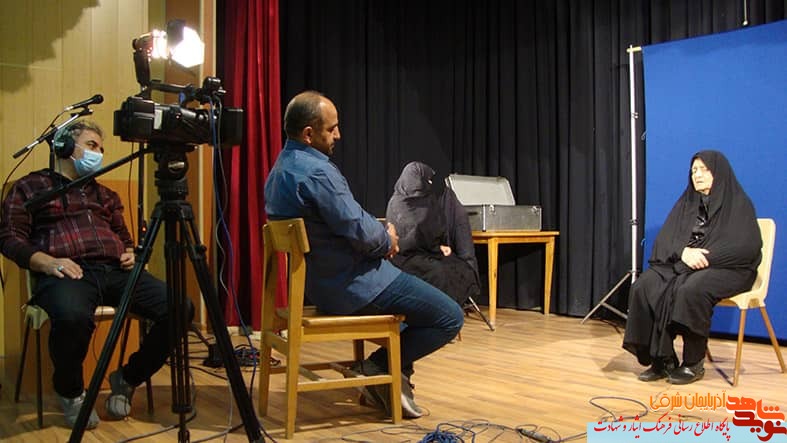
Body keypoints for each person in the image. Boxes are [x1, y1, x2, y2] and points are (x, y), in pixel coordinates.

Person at [264, 91, 464, 418]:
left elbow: (347, 220)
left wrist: (377, 234)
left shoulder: (280, 170)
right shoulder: (318, 172)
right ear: (309, 134)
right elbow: (361, 231)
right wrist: (387, 239)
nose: (338, 135)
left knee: (414, 310)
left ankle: (389, 381)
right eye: (332, 129)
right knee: (449, 316)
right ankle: (378, 369)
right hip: (354, 286)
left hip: (320, 287)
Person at [0, 120, 190, 429]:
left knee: (180, 306)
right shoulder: (30, 187)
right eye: (91, 146)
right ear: (64, 147)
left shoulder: (105, 194)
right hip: (67, 272)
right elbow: (9, 237)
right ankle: (71, 391)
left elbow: (125, 237)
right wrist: (45, 262)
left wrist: (130, 251)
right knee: (73, 316)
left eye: (101, 149)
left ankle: (127, 378)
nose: (98, 154)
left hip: (115, 270)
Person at [622, 150, 761, 385]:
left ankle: (693, 363)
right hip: (686, 264)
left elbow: (746, 246)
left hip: (730, 269)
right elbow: (664, 240)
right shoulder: (686, 203)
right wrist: (684, 252)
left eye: (704, 170)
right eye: (694, 170)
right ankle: (663, 359)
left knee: (691, 289)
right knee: (644, 286)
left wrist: (705, 258)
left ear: (719, 172)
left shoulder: (739, 204)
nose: (697, 175)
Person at [385, 161, 481, 306]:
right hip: (402, 257)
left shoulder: (427, 201)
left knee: (460, 267)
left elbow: (434, 233)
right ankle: (441, 309)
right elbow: (408, 240)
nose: (429, 184)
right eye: (426, 180)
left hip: (426, 253)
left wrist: (439, 247)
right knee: (439, 272)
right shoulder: (397, 203)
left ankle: (454, 306)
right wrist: (434, 248)